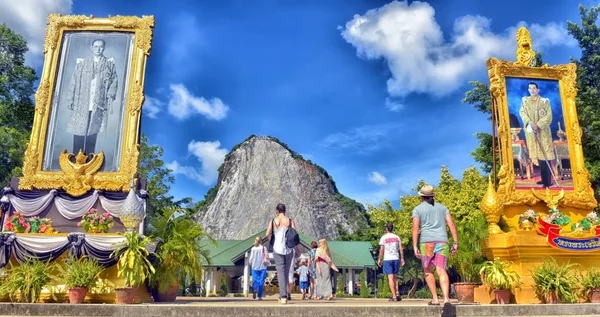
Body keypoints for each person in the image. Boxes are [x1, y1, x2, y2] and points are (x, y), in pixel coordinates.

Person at [64, 38, 118, 155]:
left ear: (104, 48)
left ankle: (89, 158)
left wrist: (110, 95)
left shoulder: (109, 64)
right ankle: (76, 157)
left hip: (98, 102)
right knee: (79, 129)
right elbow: (73, 80)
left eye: (101, 46)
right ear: (91, 48)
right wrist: (70, 98)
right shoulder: (82, 63)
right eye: (96, 46)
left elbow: (114, 80)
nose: (98, 49)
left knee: (93, 130)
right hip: (82, 101)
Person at [412, 185, 458, 306]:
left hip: (426, 243)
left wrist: (415, 245)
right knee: (441, 270)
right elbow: (451, 224)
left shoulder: (417, 209)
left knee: (427, 270)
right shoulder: (443, 208)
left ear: (421, 197)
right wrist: (455, 242)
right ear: (432, 196)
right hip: (442, 242)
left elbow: (415, 228)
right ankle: (447, 299)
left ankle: (435, 299)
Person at [519, 82, 556, 188]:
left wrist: (538, 125)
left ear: (538, 90)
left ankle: (547, 182)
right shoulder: (525, 101)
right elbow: (522, 113)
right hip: (531, 132)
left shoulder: (545, 101)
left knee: (545, 156)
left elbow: (548, 115)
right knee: (539, 158)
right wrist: (530, 122)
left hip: (543, 133)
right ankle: (544, 179)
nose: (532, 90)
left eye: (534, 88)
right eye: (530, 88)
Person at [265, 203, 298, 304]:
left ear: (277, 211)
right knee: (286, 272)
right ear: (285, 210)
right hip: (288, 249)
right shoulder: (290, 220)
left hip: (277, 249)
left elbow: (267, 234)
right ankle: (284, 295)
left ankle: (283, 296)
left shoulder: (273, 221)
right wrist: (298, 250)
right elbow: (295, 236)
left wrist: (273, 240)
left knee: (280, 272)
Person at [377, 222, 405, 302]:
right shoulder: (397, 237)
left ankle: (394, 296)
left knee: (390, 277)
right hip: (396, 258)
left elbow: (381, 249)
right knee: (395, 277)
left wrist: (379, 259)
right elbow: (401, 248)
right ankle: (397, 293)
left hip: (388, 259)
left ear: (386, 229)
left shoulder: (383, 238)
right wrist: (402, 258)